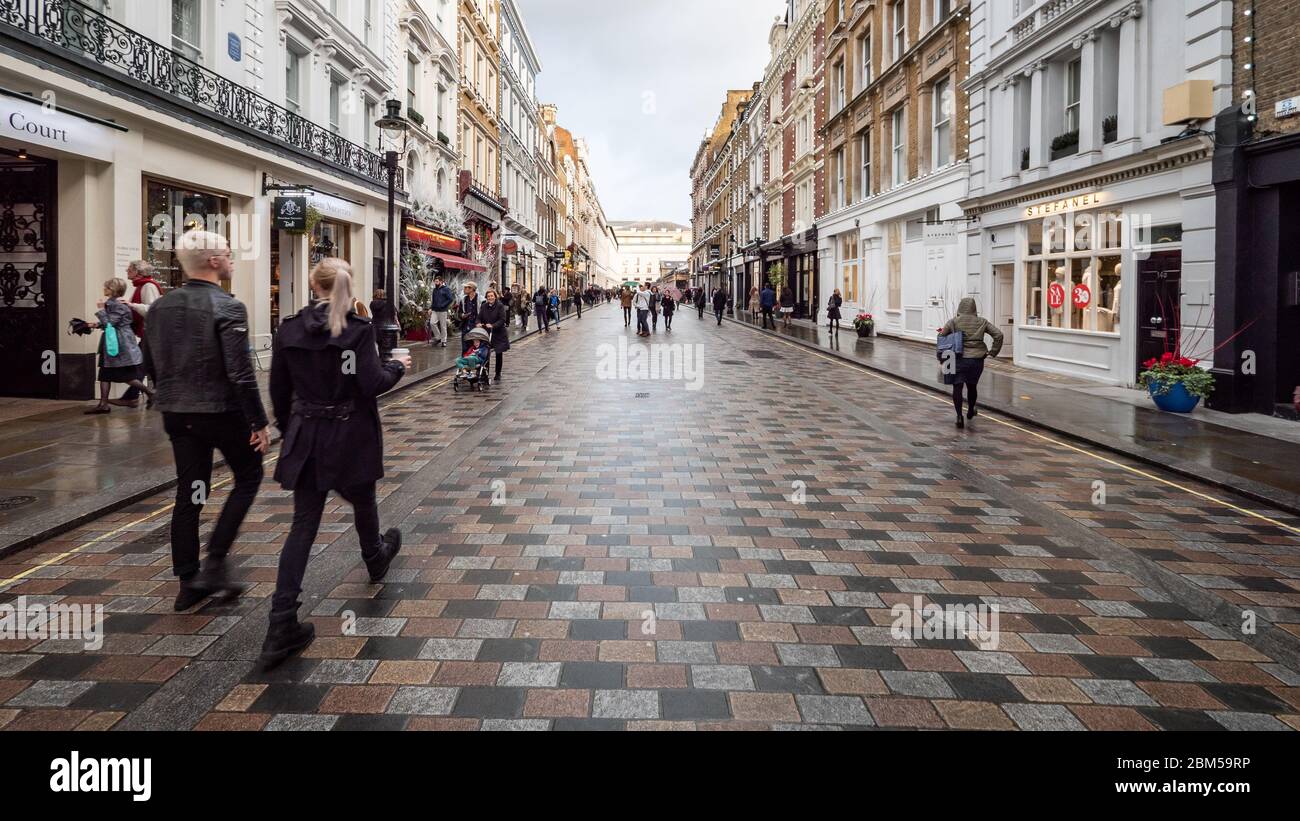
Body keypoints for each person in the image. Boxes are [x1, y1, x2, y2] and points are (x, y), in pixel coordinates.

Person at [259, 258, 408, 670]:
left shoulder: (288, 329)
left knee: (303, 525)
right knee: (363, 499)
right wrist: (398, 365)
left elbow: (278, 391)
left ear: (313, 284)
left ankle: (281, 622)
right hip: (350, 434)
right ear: (348, 284)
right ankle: (374, 557)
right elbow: (371, 384)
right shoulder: (357, 331)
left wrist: (294, 431)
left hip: (308, 434)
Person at [145, 230, 269, 611]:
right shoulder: (228, 306)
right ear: (213, 261)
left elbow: (151, 364)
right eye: (228, 254)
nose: (232, 259)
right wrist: (259, 422)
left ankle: (188, 580)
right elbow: (241, 372)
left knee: (191, 490)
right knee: (248, 476)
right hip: (221, 412)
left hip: (177, 414)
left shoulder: (159, 308)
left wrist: (167, 397)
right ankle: (215, 561)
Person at [85, 278, 155, 414]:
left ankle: (151, 394)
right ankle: (103, 404)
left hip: (120, 345)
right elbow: (110, 322)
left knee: (126, 376)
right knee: (105, 374)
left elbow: (110, 323)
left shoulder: (118, 306)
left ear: (112, 290)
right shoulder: (112, 304)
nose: (104, 289)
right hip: (114, 343)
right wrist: (93, 324)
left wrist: (100, 310)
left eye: (106, 287)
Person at [939, 297, 1004, 430]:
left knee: (957, 387)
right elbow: (999, 335)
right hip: (976, 360)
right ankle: (970, 410)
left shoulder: (953, 322)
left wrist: (943, 355)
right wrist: (992, 352)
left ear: (960, 308)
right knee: (972, 386)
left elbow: (942, 337)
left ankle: (958, 416)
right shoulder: (982, 322)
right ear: (974, 308)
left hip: (957, 358)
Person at [115, 261, 164, 408]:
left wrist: (131, 305)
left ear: (138, 272)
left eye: (129, 269)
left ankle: (132, 397)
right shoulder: (142, 286)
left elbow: (152, 309)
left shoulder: (148, 286)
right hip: (150, 332)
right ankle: (157, 397)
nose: (126, 270)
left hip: (152, 331)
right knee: (149, 366)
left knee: (141, 365)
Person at [477, 287, 511, 383]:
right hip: (487, 333)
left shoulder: (500, 306)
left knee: (498, 353)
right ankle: (485, 372)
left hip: (499, 333)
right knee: (485, 353)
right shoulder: (484, 306)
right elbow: (479, 317)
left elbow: (502, 319)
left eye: (492, 296)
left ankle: (498, 373)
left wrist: (493, 325)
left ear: (495, 297)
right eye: (488, 296)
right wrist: (478, 322)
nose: (490, 298)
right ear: (486, 297)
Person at [428, 275, 454, 348]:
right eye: (435, 282)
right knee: (432, 323)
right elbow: (433, 300)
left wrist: (443, 305)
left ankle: (444, 341)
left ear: (441, 281)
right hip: (435, 310)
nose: (436, 283)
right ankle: (438, 337)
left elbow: (450, 299)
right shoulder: (435, 290)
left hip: (443, 310)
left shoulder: (446, 289)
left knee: (443, 326)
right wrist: (431, 308)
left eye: (437, 282)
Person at [459, 282, 480, 350]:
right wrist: (462, 315)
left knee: (475, 348)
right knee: (465, 348)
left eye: (466, 288)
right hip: (465, 327)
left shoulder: (480, 300)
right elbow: (460, 312)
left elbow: (483, 314)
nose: (464, 289)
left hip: (476, 327)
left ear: (471, 289)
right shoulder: (463, 299)